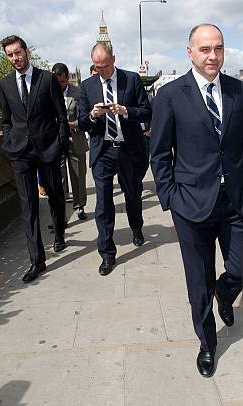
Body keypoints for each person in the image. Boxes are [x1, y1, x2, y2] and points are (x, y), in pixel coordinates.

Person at [149, 23, 243, 377]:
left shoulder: (239, 92)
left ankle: (226, 295)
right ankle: (207, 343)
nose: (213, 56)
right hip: (191, 205)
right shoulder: (169, 96)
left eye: (219, 48)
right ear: (190, 52)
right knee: (198, 281)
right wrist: (170, 198)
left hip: (238, 200)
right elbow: (159, 154)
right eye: (205, 49)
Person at [0, 35, 69, 283]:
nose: (15, 58)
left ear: (26, 52)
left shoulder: (47, 79)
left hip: (47, 149)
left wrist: (59, 145)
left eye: (18, 52)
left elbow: (61, 116)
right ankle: (37, 261)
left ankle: (59, 233)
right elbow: (7, 121)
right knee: (28, 207)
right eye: (10, 55)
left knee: (55, 195)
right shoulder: (4, 85)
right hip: (20, 153)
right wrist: (9, 142)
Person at [78, 43, 151, 276]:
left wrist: (125, 111)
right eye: (98, 67)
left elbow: (147, 111)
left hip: (129, 150)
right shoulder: (87, 86)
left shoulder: (132, 80)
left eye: (106, 66)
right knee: (103, 204)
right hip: (103, 151)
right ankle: (107, 254)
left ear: (114, 59)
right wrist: (92, 115)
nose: (103, 71)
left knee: (132, 195)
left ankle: (136, 227)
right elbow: (81, 122)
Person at [52, 62, 89, 221]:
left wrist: (75, 124)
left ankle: (80, 206)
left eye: (61, 81)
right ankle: (61, 208)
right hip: (56, 140)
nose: (58, 85)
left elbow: (86, 116)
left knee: (78, 175)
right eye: (56, 81)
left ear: (67, 78)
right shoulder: (48, 93)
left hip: (75, 138)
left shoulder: (79, 93)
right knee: (58, 176)